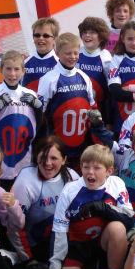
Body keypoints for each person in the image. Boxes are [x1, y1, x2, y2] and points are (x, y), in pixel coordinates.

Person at [47, 145, 134, 269]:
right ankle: (85, 268)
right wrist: (55, 266)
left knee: (118, 228)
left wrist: (103, 208)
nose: (90, 173)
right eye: (86, 167)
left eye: (96, 168)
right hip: (78, 246)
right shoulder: (70, 190)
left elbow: (129, 220)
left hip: (102, 243)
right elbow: (59, 231)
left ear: (109, 171)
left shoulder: (116, 184)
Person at [8, 136, 78, 269]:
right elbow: (14, 227)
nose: (47, 163)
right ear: (36, 157)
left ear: (64, 160)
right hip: (37, 245)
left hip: (63, 239)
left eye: (54, 158)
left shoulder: (72, 177)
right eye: (43, 157)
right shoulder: (26, 181)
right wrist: (28, 259)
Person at [0, 50, 42, 191]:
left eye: (16, 69)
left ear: (23, 71)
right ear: (1, 70)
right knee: (1, 200)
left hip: (25, 160)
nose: (12, 74)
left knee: (20, 202)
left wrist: (38, 107)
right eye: (8, 69)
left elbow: (38, 126)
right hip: (0, 162)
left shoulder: (30, 94)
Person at [36, 32, 96, 169]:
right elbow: (39, 114)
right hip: (57, 148)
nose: (73, 57)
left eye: (76, 53)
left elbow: (93, 108)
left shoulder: (84, 77)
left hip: (82, 146)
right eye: (68, 53)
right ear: (57, 53)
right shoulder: (49, 79)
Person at [77, 17, 113, 124]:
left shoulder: (106, 57)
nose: (87, 35)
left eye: (92, 32)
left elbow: (109, 90)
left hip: (100, 109)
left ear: (101, 37)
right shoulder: (76, 53)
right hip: (79, 107)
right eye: (84, 32)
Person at [22, 17, 59, 91]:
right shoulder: (25, 63)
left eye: (46, 36)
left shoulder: (60, 64)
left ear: (55, 39)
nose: (41, 38)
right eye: (37, 35)